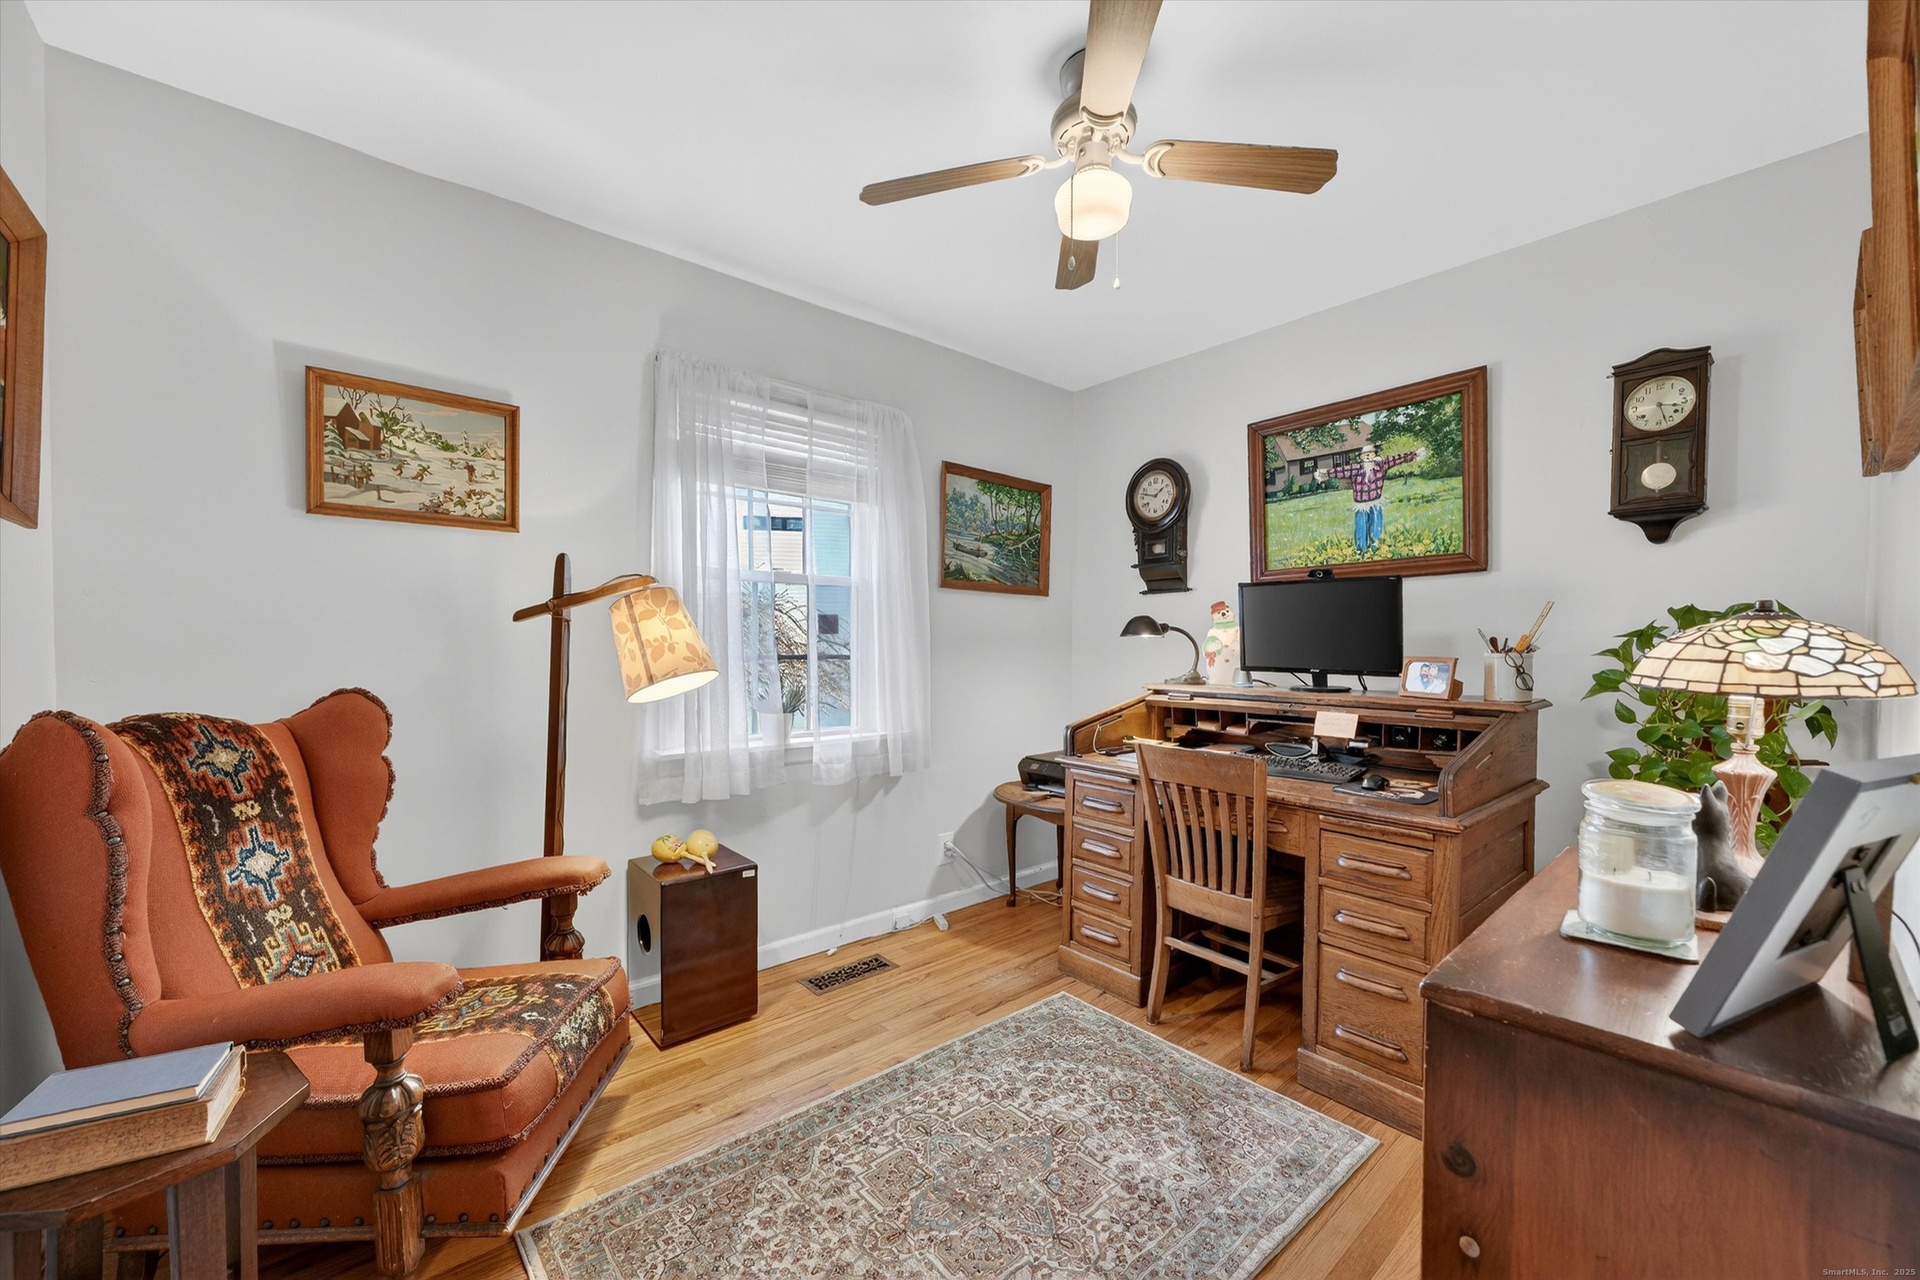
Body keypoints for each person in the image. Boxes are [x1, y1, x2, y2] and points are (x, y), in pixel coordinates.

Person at [1316, 440, 1427, 556]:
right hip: (1361, 505)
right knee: (1361, 526)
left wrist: (1415, 455)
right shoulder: (1356, 468)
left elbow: (1397, 459)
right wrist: (1326, 474)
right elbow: (1341, 471)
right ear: (1362, 457)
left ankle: (1375, 547)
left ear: (1375, 454)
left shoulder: (1381, 464)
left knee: (1376, 526)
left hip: (1375, 502)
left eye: (1371, 454)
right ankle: (1360, 550)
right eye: (1366, 455)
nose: (1368, 457)